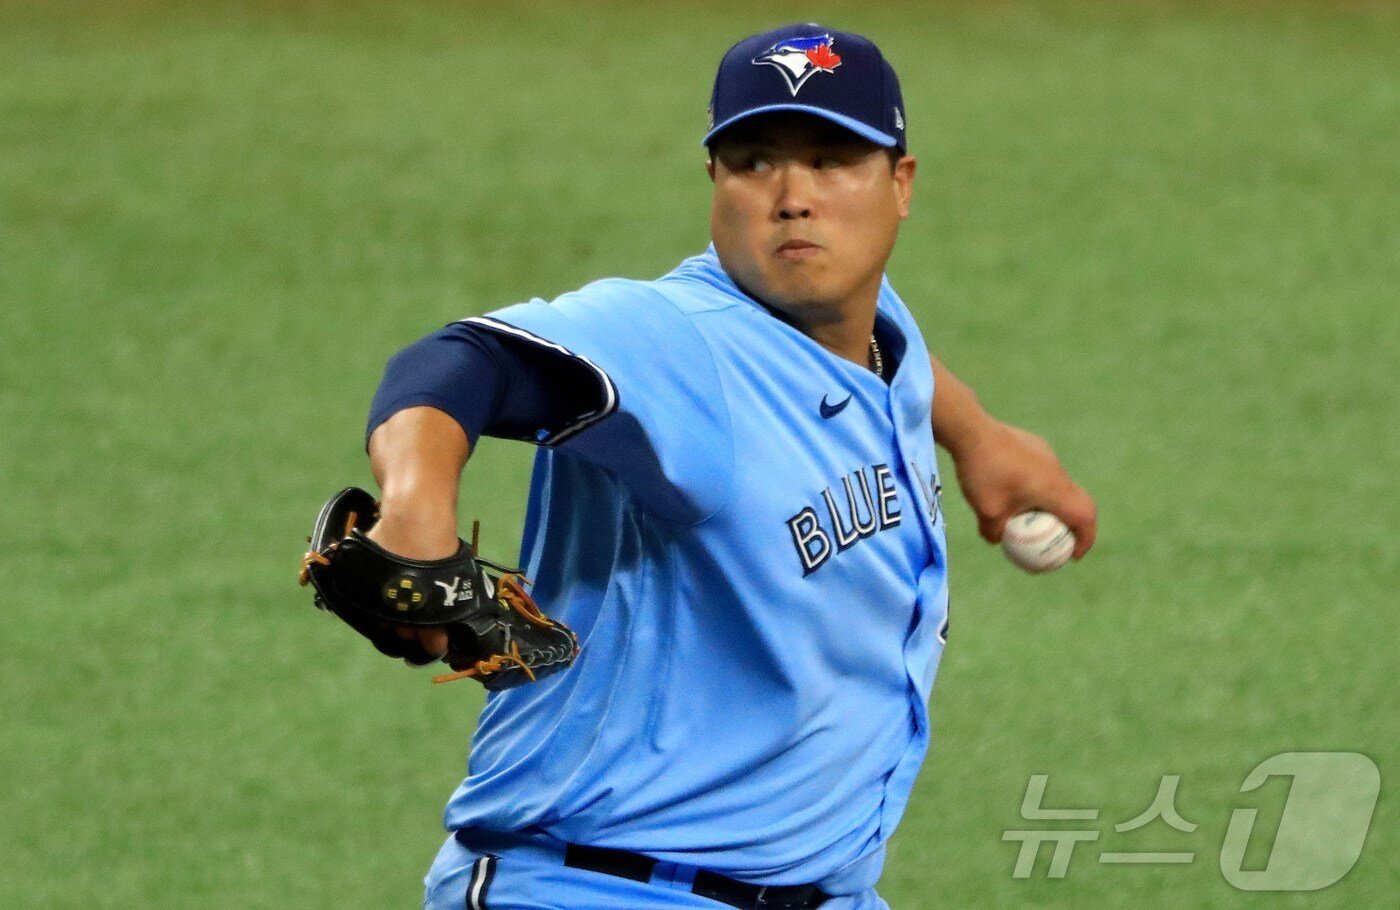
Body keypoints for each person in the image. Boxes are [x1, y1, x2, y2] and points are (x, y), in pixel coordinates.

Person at [360, 24, 1096, 910]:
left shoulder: (862, 321)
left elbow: (877, 355)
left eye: (832, 160)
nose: (793, 198)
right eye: (754, 162)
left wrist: (975, 434)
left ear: (899, 185)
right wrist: (415, 502)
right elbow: (459, 363)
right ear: (716, 181)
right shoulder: (679, 343)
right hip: (594, 890)